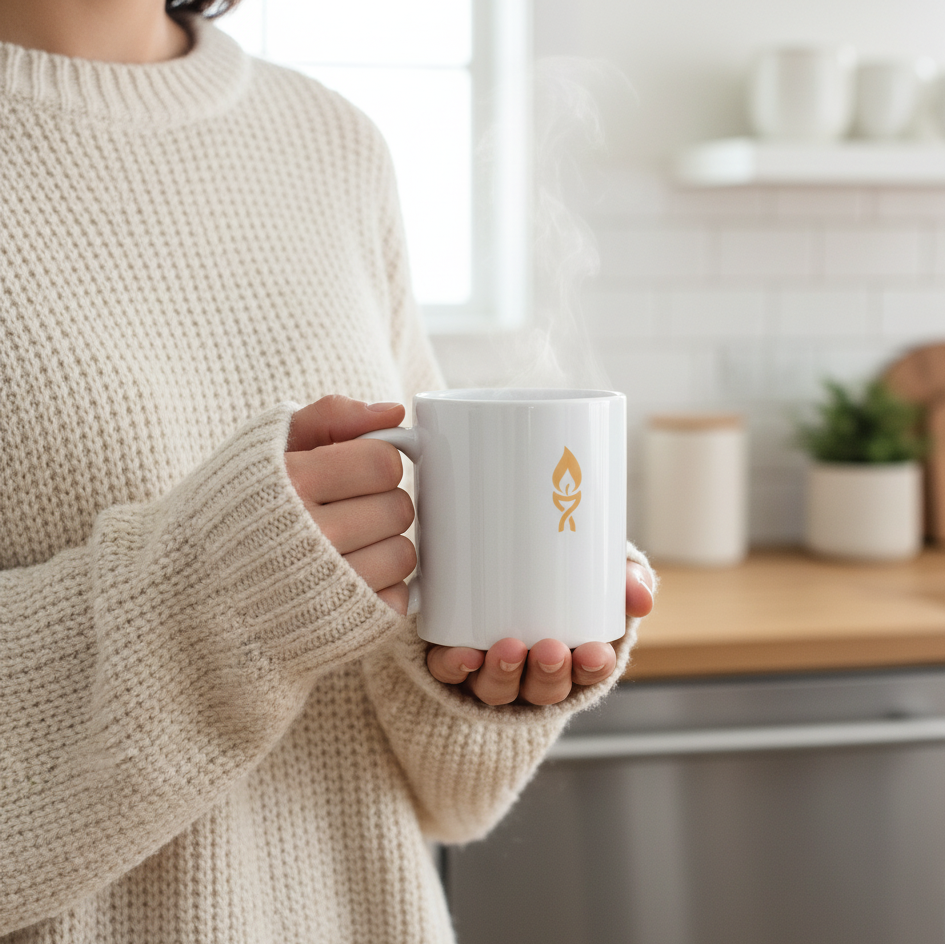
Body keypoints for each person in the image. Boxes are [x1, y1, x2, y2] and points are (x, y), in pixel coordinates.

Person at [0, 0, 656, 940]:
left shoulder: (328, 141)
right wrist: (222, 591)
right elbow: (252, 587)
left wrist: (466, 674)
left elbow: (441, 798)